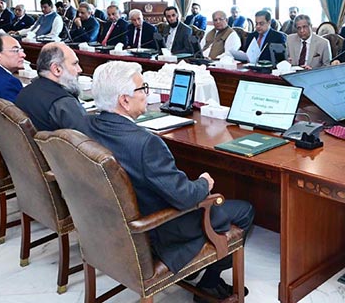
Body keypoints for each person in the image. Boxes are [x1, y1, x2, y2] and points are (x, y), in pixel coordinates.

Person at [80, 61, 254, 300]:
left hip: (108, 225)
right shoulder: (145, 144)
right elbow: (184, 197)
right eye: (143, 89)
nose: (147, 94)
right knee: (244, 210)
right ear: (124, 100)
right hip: (156, 230)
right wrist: (204, 183)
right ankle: (209, 282)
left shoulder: (85, 126)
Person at [14, 43, 87, 132]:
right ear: (56, 69)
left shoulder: (25, 92)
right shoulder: (63, 103)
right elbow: (88, 140)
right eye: (75, 64)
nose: (80, 69)